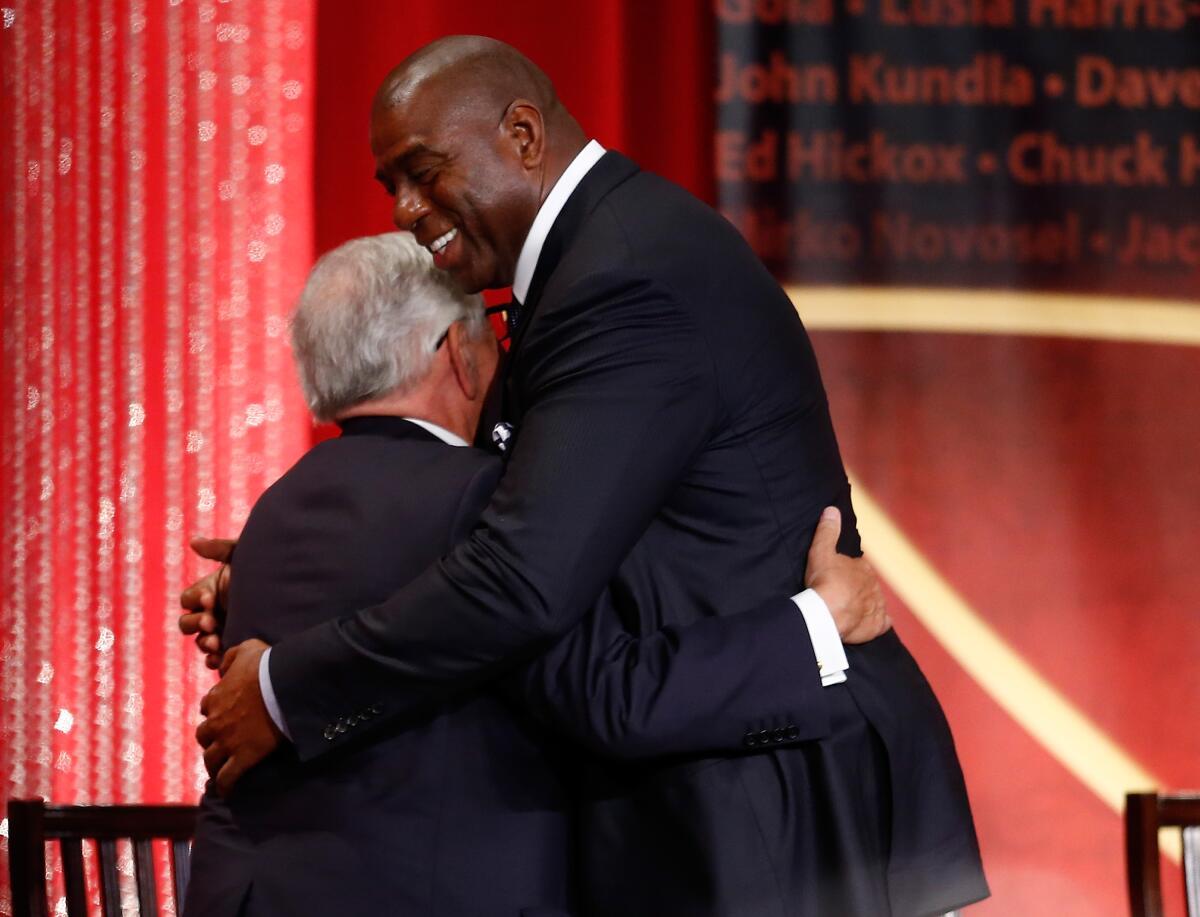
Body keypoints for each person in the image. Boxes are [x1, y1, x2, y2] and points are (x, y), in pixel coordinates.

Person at [191, 36, 988, 915]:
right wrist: (305, 579)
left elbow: (522, 575)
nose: (405, 210)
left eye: (422, 171)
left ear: (523, 135)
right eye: (391, 186)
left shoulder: (626, 278)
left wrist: (284, 688)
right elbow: (529, 526)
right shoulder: (591, 265)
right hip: (719, 792)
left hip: (785, 806)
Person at [182, 231, 884, 917]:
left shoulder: (270, 515)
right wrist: (818, 622)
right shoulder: (493, 506)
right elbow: (615, 696)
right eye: (490, 326)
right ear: (460, 351)